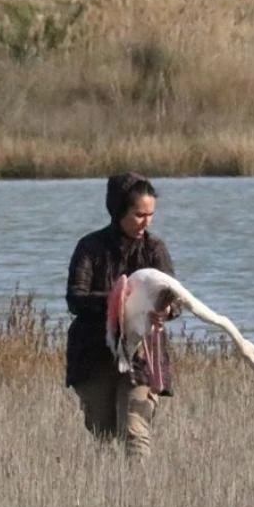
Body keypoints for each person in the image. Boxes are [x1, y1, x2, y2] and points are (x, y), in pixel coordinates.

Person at [65, 172, 181, 458]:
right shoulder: (90, 247)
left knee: (134, 431)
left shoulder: (155, 249)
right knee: (103, 433)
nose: (146, 222)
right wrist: (120, 301)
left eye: (151, 215)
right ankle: (109, 484)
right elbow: (76, 299)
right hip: (94, 352)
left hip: (142, 352)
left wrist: (165, 310)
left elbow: (174, 298)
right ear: (118, 211)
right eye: (139, 215)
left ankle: (140, 486)